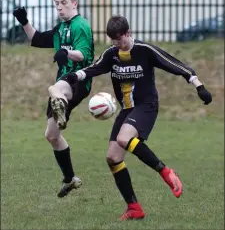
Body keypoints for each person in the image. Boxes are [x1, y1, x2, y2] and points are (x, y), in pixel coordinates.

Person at [47, 15, 212, 220]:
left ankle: (167, 172)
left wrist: (199, 86)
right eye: (113, 41)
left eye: (120, 39)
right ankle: (134, 208)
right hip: (126, 110)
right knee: (113, 158)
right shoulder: (112, 53)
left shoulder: (145, 50)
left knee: (124, 139)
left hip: (146, 106)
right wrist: (75, 76)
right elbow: (94, 68)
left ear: (128, 33)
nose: (117, 44)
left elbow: (175, 65)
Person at [13, 0, 94, 198]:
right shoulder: (60, 28)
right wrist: (24, 22)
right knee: (51, 135)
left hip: (78, 80)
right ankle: (70, 179)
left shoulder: (81, 25)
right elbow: (36, 39)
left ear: (74, 3)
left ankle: (60, 107)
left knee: (55, 89)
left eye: (64, 3)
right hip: (63, 83)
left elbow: (84, 54)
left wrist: (66, 52)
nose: (60, 7)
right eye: (57, 3)